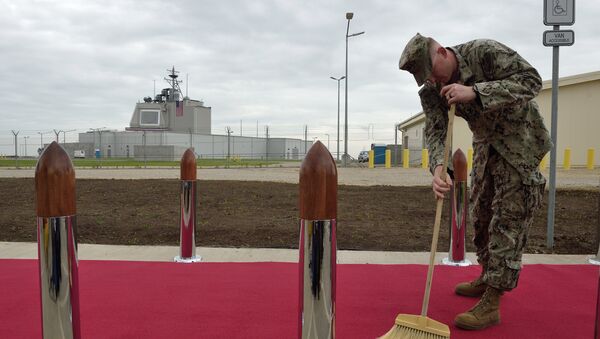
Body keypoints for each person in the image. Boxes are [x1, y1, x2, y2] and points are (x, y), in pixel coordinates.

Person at [398, 33, 551, 330]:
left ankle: (493, 299)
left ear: (442, 52)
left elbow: (532, 80)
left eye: (433, 74)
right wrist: (438, 168)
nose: (433, 82)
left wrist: (475, 92)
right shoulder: (431, 88)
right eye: (425, 79)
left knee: (508, 219)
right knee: (479, 214)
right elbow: (435, 129)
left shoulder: (484, 52)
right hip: (485, 144)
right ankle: (487, 274)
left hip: (520, 141)